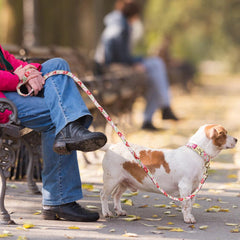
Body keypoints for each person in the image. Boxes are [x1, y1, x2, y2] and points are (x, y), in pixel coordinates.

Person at [0, 44, 107, 222]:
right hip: (3, 100)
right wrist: (18, 78)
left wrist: (28, 71)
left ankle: (71, 130)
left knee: (57, 65)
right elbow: (12, 74)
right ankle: (58, 201)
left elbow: (10, 61)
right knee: (59, 115)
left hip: (11, 90)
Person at [94, 0, 179, 130]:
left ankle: (157, 113)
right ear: (134, 16)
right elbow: (117, 56)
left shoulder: (118, 23)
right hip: (112, 69)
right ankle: (162, 108)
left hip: (112, 66)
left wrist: (137, 60)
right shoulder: (121, 27)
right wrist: (135, 62)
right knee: (156, 67)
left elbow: (119, 53)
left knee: (155, 74)